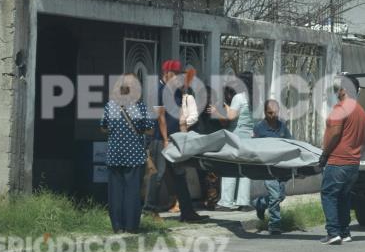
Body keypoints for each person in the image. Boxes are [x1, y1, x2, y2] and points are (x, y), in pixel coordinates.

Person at [145, 59, 208, 223]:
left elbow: (181, 115)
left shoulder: (177, 91)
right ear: (166, 73)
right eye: (176, 74)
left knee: (180, 175)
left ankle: (187, 212)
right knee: (157, 176)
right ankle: (149, 211)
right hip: (161, 140)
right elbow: (160, 117)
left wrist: (183, 137)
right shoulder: (159, 90)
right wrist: (166, 140)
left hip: (176, 139)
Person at [100, 73, 154, 233]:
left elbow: (103, 127)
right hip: (135, 156)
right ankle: (131, 227)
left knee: (115, 193)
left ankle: (117, 227)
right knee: (132, 192)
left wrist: (116, 131)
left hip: (114, 155)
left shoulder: (111, 106)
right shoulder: (140, 107)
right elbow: (150, 130)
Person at [319, 74, 365, 245]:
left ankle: (333, 232)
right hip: (353, 163)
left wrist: (324, 155)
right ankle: (345, 232)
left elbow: (334, 134)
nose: (336, 92)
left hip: (337, 161)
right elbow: (363, 139)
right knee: (343, 197)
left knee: (329, 194)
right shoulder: (362, 113)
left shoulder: (341, 108)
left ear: (344, 89)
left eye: (337, 89)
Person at [209, 72, 255, 211]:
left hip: (236, 134)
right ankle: (244, 201)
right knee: (245, 169)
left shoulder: (238, 97)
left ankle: (227, 202)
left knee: (230, 167)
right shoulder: (254, 99)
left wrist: (216, 112)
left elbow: (231, 117)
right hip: (249, 136)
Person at [252, 99, 293, 235]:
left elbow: (291, 143)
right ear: (265, 112)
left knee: (280, 196)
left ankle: (260, 203)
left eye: (275, 112)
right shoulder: (259, 128)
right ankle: (275, 225)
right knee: (275, 196)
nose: (273, 115)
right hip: (267, 168)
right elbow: (253, 148)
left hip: (281, 168)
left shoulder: (282, 126)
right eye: (270, 113)